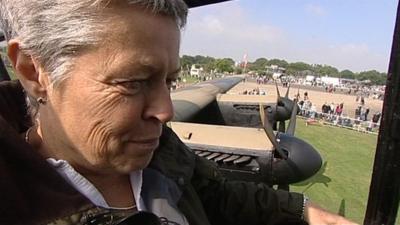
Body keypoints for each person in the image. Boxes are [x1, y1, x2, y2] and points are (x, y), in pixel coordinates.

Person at [0, 1, 357, 225]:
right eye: (134, 81)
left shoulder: (161, 150)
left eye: (169, 81)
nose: (166, 111)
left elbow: (214, 197)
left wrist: (306, 213)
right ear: (35, 71)